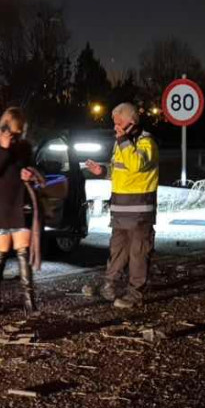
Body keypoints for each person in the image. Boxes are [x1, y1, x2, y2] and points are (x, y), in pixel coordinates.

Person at [85, 103, 158, 308]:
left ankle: (135, 294)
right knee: (117, 250)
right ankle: (110, 284)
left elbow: (136, 165)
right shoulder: (121, 142)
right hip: (120, 209)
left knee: (138, 253)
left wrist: (123, 139)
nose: (115, 126)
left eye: (118, 122)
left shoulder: (146, 142)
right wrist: (102, 171)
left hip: (140, 210)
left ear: (131, 122)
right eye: (114, 122)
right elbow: (121, 170)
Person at [0, 107, 43, 312]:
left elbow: (31, 168)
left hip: (21, 204)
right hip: (0, 207)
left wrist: (30, 174)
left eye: (20, 132)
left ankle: (29, 300)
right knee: (0, 254)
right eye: (14, 131)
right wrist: (4, 149)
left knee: (23, 252)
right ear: (5, 126)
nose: (17, 136)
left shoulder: (25, 146)